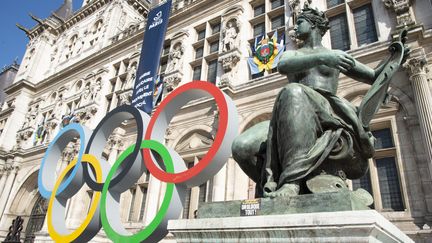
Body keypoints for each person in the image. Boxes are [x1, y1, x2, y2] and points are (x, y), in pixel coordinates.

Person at [232, 6, 409, 198]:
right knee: (241, 147)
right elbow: (283, 65)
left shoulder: (337, 55)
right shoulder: (294, 55)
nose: (294, 27)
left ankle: (292, 182)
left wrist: (394, 59)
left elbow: (373, 76)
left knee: (293, 91)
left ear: (313, 25)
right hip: (292, 108)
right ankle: (269, 185)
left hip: (326, 110)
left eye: (300, 22)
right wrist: (324, 57)